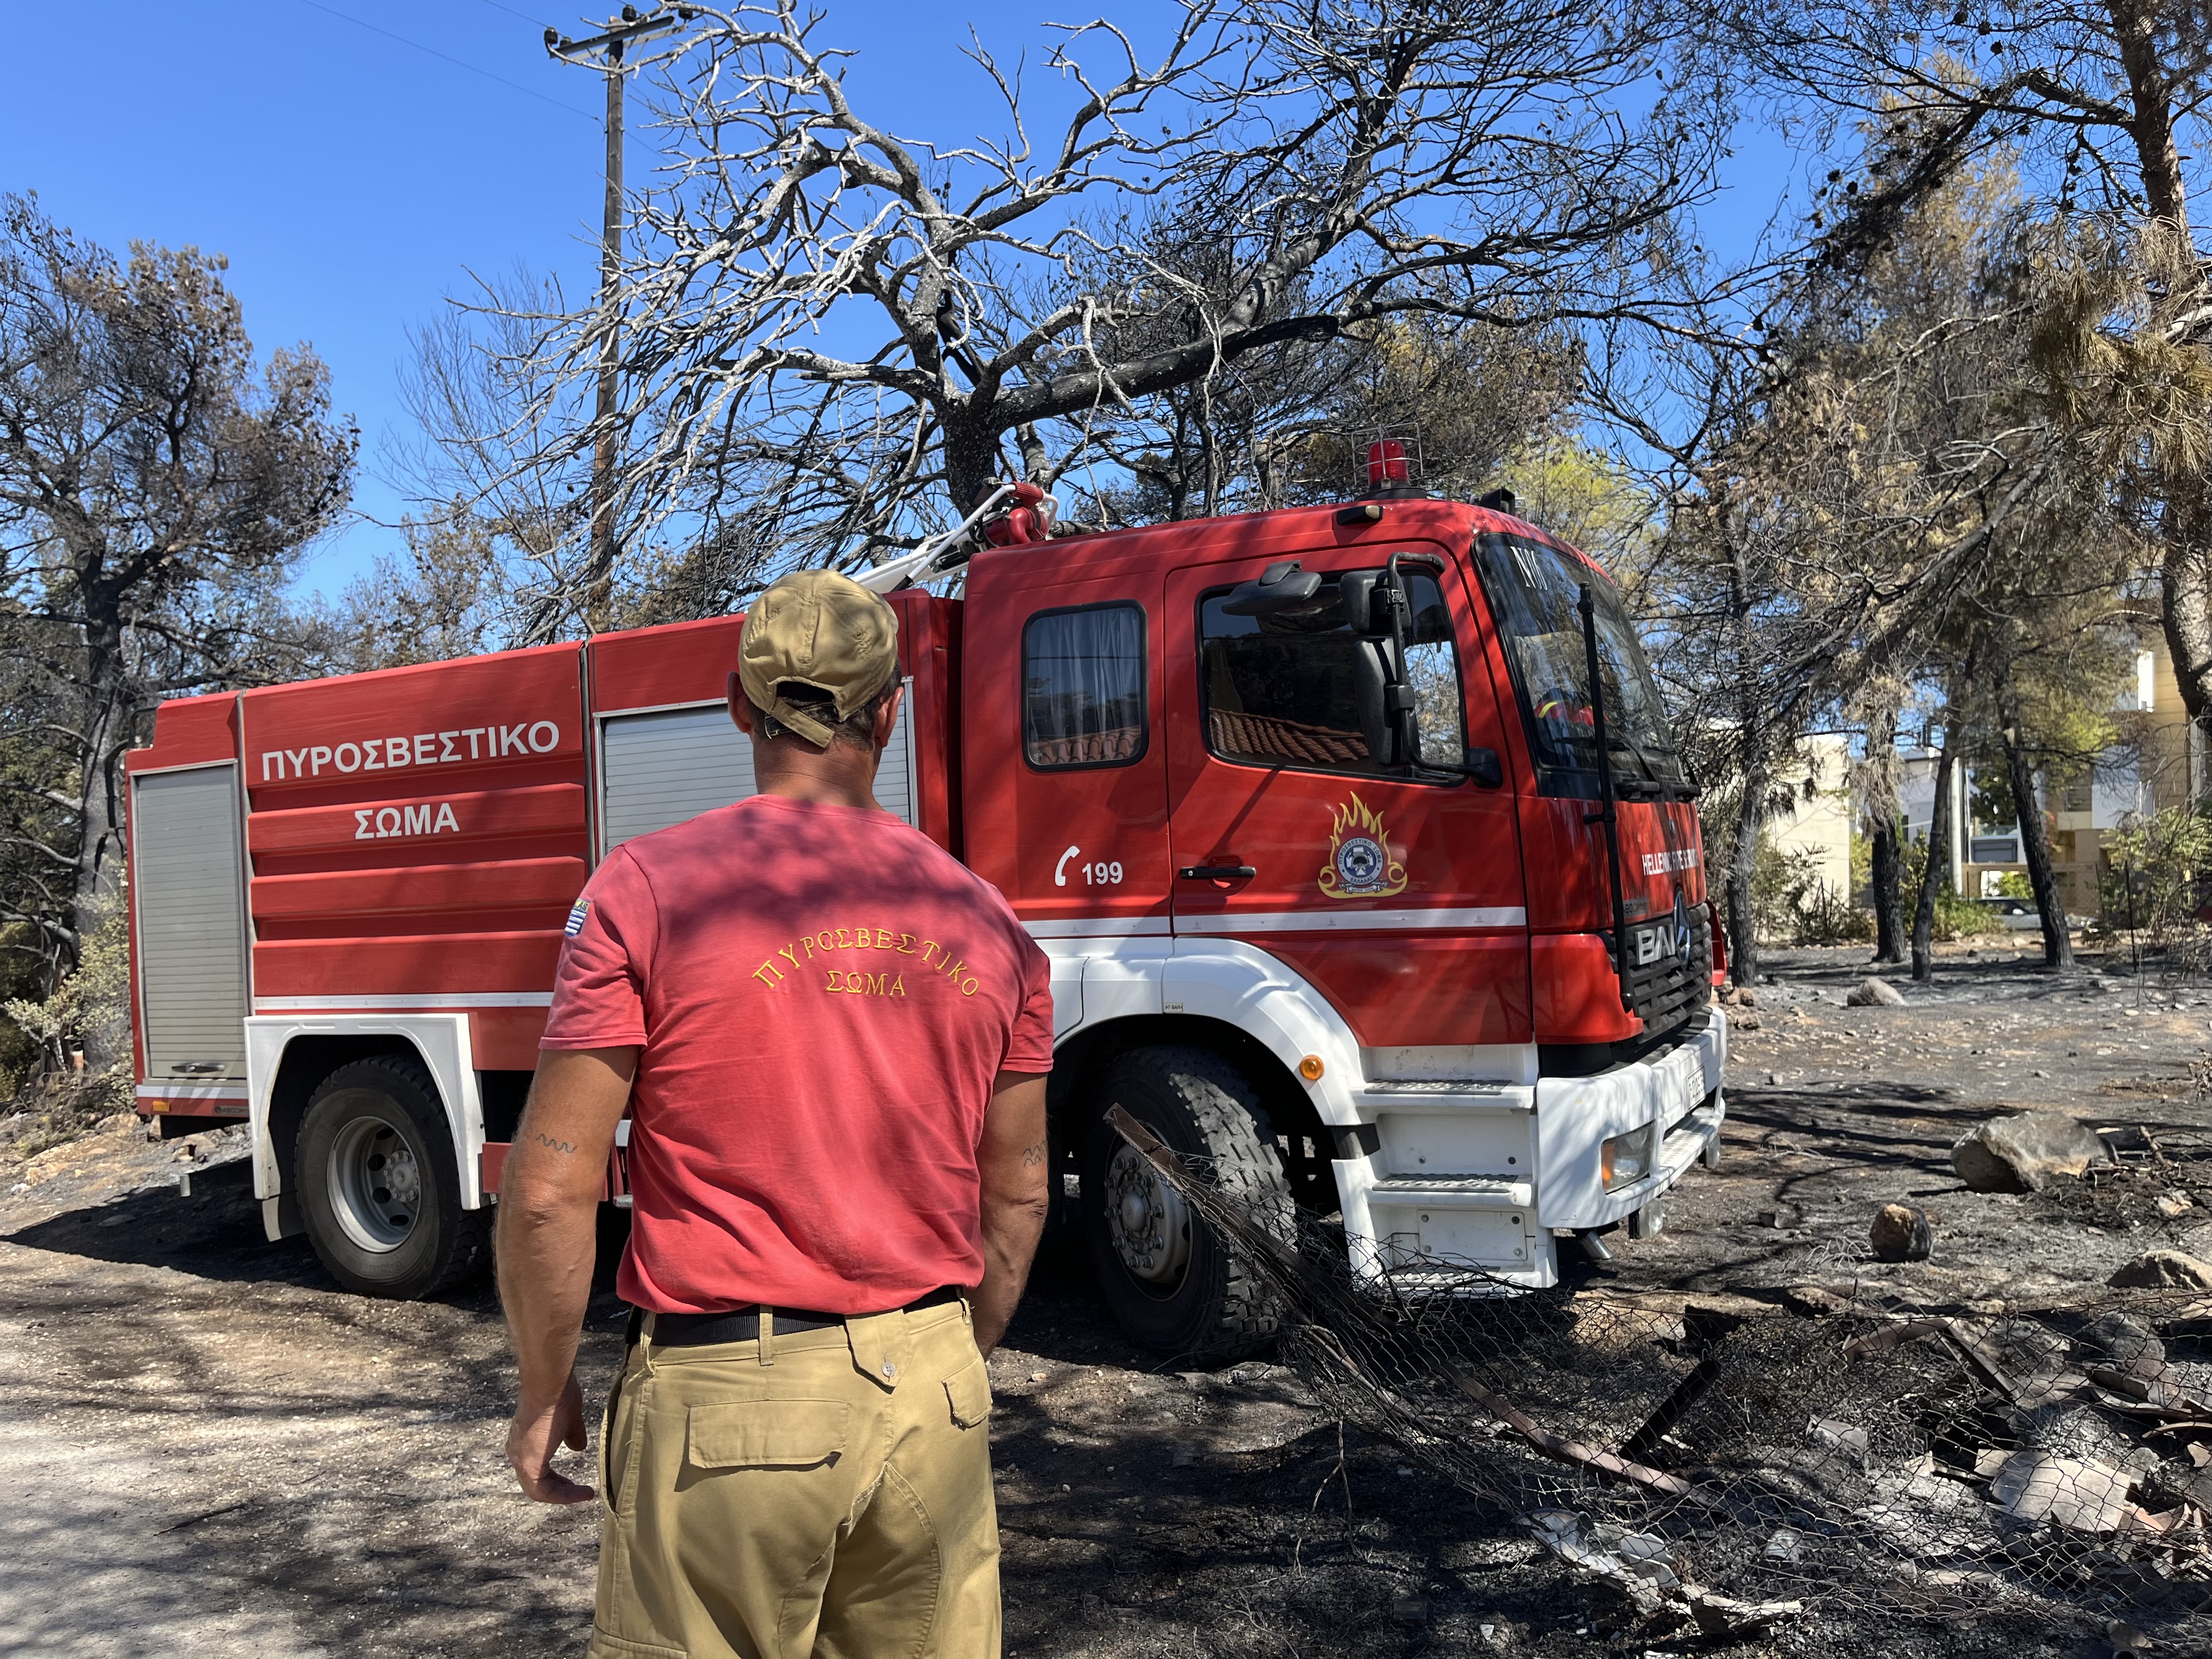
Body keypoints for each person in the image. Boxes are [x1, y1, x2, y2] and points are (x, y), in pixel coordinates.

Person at [496, 569, 1056, 1659]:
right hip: (930, 1394)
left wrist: (542, 1387)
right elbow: (1020, 1193)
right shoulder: (991, 925)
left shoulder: (645, 892)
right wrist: (946, 1352)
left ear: (737, 704)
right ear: (891, 706)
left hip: (724, 1407)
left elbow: (553, 1188)